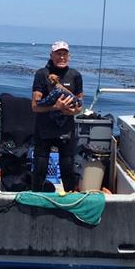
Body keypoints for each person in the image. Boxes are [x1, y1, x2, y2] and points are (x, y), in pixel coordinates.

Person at [31, 40, 83, 192]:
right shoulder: (42, 74)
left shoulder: (75, 75)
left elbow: (80, 106)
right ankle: (36, 200)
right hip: (44, 129)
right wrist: (56, 107)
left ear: (69, 56)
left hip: (65, 129)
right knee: (40, 168)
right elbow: (35, 106)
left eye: (64, 54)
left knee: (67, 169)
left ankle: (70, 200)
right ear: (51, 55)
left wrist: (70, 111)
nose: (62, 57)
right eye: (58, 54)